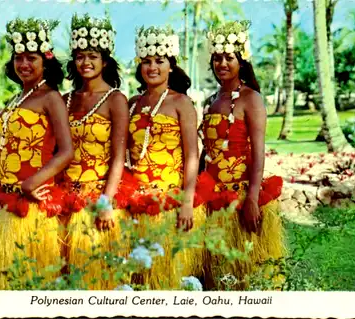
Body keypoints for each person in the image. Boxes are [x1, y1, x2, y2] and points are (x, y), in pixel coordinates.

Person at [0, 18, 74, 290]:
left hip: (33, 200)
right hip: (7, 192)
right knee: (3, 275)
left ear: (46, 61)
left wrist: (33, 182)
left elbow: (66, 151)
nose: (24, 64)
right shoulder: (18, 96)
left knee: (30, 278)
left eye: (31, 57)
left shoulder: (50, 97)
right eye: (18, 58)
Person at [197, 20, 285, 290]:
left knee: (244, 275)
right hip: (213, 198)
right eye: (217, 58)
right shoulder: (212, 99)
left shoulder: (251, 98)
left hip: (240, 195)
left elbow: (259, 153)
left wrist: (253, 199)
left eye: (229, 58)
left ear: (241, 61)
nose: (222, 64)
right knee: (215, 276)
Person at [125, 26, 205, 289]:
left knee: (163, 277)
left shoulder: (182, 103)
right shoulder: (133, 103)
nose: (152, 67)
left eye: (159, 61)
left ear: (171, 65)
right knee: (135, 278)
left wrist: (187, 201)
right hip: (134, 200)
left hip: (169, 200)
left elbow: (193, 155)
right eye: (146, 62)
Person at [58, 14, 129, 290]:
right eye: (79, 56)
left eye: (92, 56)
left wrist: (105, 203)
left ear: (105, 61)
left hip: (97, 197)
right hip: (63, 198)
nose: (85, 62)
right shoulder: (65, 99)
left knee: (93, 280)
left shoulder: (115, 100)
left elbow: (118, 157)